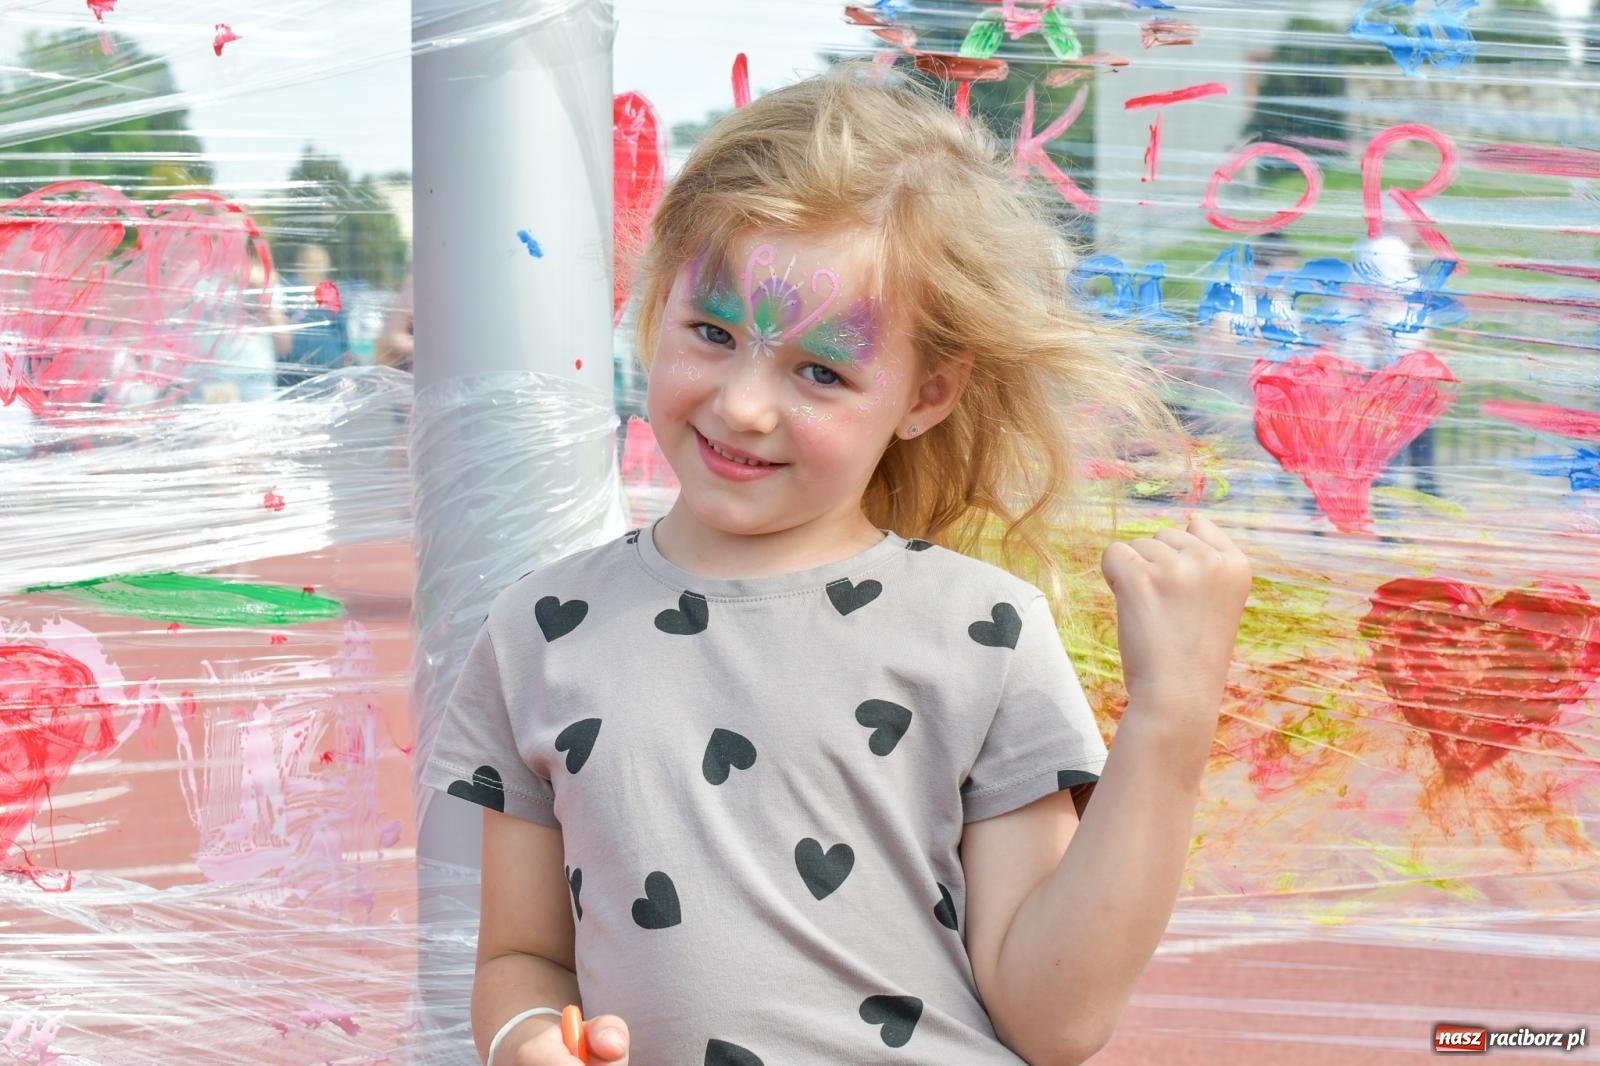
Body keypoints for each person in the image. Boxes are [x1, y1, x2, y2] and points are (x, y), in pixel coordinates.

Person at [420, 64, 1251, 1066]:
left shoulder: (981, 629)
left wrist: (1171, 717)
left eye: (820, 370)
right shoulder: (539, 631)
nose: (743, 406)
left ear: (927, 394)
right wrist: (524, 1041)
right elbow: (520, 956)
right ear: (655, 303)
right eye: (712, 332)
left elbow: (1054, 1020)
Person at [276, 243, 350, 387]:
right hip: (323, 361)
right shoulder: (328, 291)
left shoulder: (288, 287)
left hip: (295, 363)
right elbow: (343, 337)